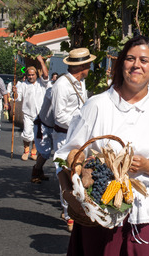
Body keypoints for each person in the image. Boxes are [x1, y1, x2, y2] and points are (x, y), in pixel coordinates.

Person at [54, 36, 149, 255]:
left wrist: (146, 166)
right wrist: (72, 191)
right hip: (100, 212)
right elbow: (65, 155)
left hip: (146, 212)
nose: (137, 65)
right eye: (130, 58)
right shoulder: (97, 106)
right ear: (121, 64)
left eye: (144, 60)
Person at [51, 47, 95, 231]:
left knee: (79, 173)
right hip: (64, 136)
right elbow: (59, 115)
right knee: (66, 175)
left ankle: (78, 212)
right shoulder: (61, 85)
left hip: (78, 136)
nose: (90, 66)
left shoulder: (80, 83)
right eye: (88, 64)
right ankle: (69, 215)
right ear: (82, 66)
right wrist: (79, 126)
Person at [13, 56, 49, 161]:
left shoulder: (41, 83)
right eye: (29, 75)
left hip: (40, 114)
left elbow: (46, 75)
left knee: (38, 135)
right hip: (28, 113)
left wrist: (41, 61)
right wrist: (14, 92)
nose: (31, 76)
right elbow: (17, 98)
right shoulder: (23, 85)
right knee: (27, 133)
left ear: (36, 75)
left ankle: (34, 151)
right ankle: (26, 151)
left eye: (33, 75)